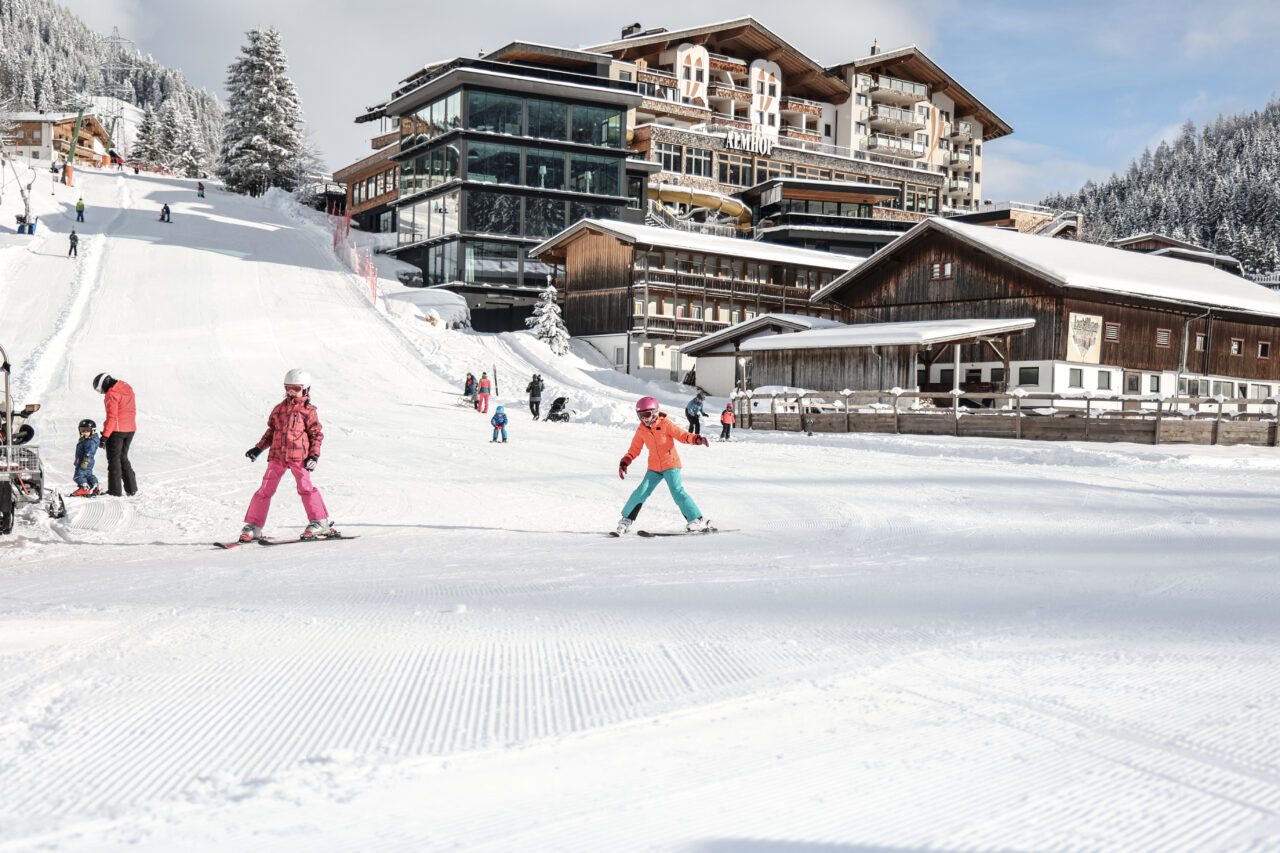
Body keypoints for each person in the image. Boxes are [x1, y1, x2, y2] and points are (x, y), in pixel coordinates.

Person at [239, 369, 333, 542]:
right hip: (277, 456)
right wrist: (258, 449)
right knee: (265, 490)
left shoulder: (308, 411)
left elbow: (316, 435)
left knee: (305, 488)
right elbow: (271, 432)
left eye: (296, 389)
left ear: (305, 390)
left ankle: (320, 522)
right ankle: (254, 526)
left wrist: (314, 456)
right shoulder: (279, 409)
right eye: (288, 388)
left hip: (300, 457)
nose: (291, 392)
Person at [616, 396, 711, 535]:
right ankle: (625, 521)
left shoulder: (666, 424)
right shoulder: (641, 430)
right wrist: (625, 461)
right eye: (640, 415)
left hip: (671, 464)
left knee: (677, 492)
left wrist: (696, 439)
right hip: (654, 467)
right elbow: (634, 449)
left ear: (655, 412)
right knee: (640, 492)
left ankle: (696, 520)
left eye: (647, 415)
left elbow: (682, 436)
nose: (644, 419)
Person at [92, 373, 137, 497]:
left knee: (114, 460)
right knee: (123, 457)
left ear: (104, 384)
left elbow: (112, 417)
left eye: (99, 389)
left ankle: (114, 491)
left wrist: (105, 436)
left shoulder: (111, 394)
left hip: (117, 431)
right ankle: (131, 488)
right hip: (130, 429)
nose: (101, 392)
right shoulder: (126, 387)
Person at [69, 418, 100, 497]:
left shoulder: (90, 441)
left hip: (85, 461)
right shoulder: (86, 440)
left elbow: (89, 452)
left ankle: (84, 488)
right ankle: (95, 486)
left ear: (92, 431)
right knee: (88, 475)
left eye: (87, 431)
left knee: (78, 475)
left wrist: (85, 462)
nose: (84, 433)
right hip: (86, 461)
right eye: (82, 430)